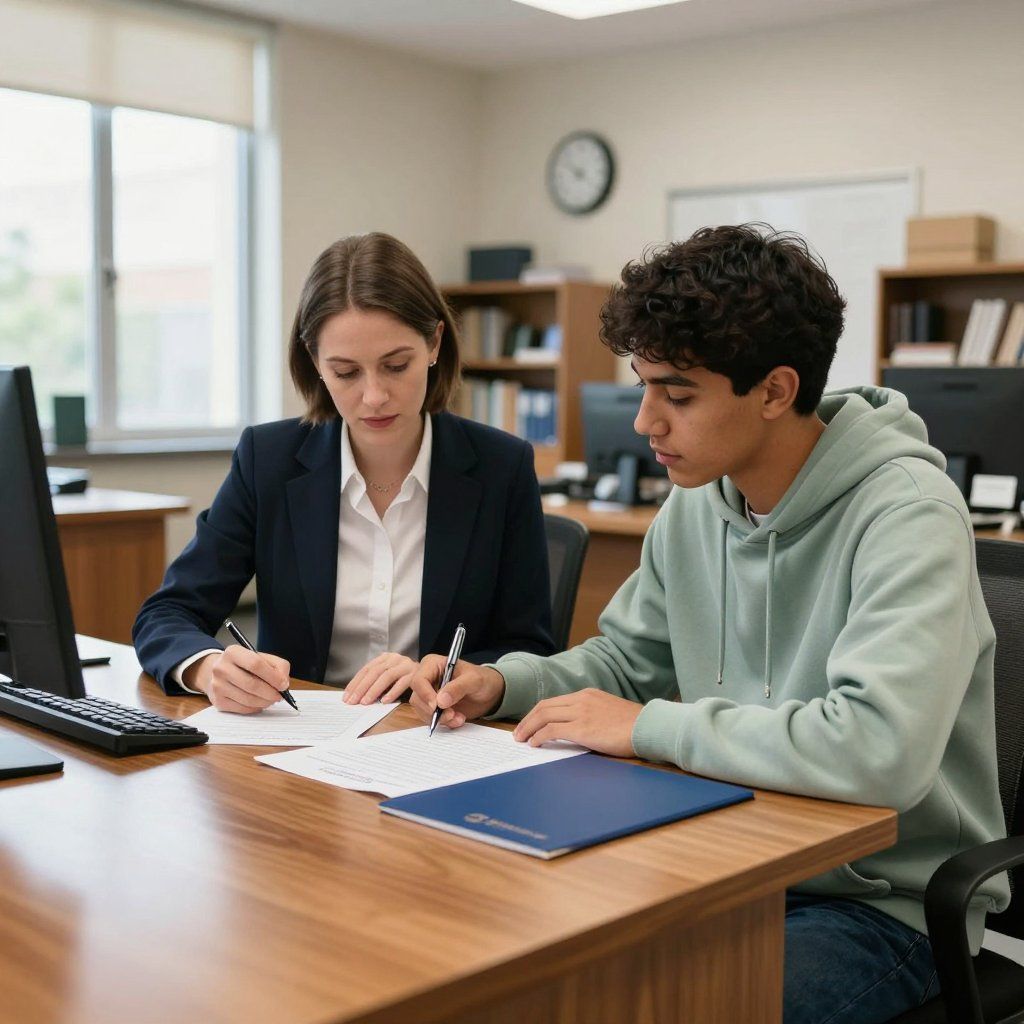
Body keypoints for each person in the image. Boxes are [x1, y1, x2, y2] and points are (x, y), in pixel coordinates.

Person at [403, 224, 1009, 1024]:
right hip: (723, 856)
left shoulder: (907, 514)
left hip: (879, 902)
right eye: (644, 386)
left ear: (773, 390)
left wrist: (650, 728)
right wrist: (504, 682)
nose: (646, 422)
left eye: (677, 394)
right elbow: (628, 663)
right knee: (514, 962)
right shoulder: (696, 505)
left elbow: (879, 748)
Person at [133, 232, 555, 712]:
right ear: (314, 361)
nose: (373, 396)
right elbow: (166, 613)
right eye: (346, 372)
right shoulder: (267, 460)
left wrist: (449, 675)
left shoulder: (503, 467)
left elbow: (531, 651)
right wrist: (209, 668)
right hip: (297, 745)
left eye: (396, 366)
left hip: (431, 741)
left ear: (435, 343)